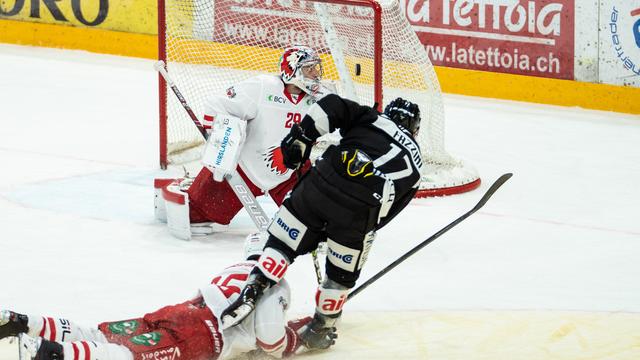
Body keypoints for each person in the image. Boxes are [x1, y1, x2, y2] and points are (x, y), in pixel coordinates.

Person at [219, 94, 423, 350]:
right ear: (415, 129)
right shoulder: (417, 166)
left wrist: (303, 136)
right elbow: (387, 214)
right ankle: (321, 326)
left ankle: (255, 286)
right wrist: (350, 228)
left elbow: (333, 105)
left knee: (283, 242)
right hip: (360, 212)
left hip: (323, 181)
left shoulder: (372, 118)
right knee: (340, 276)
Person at [0, 234, 337, 360]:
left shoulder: (236, 268)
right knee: (126, 354)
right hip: (199, 338)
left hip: (179, 312)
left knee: (101, 332)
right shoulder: (275, 285)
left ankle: (23, 323)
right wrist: (298, 340)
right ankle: (48, 354)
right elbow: (269, 338)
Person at [155, 45, 330, 240]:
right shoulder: (263, 87)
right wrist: (220, 137)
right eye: (308, 68)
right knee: (198, 216)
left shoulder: (322, 97)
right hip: (244, 169)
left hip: (291, 171)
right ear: (291, 70)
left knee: (316, 220)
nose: (315, 73)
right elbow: (218, 105)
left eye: (316, 67)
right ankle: (189, 188)